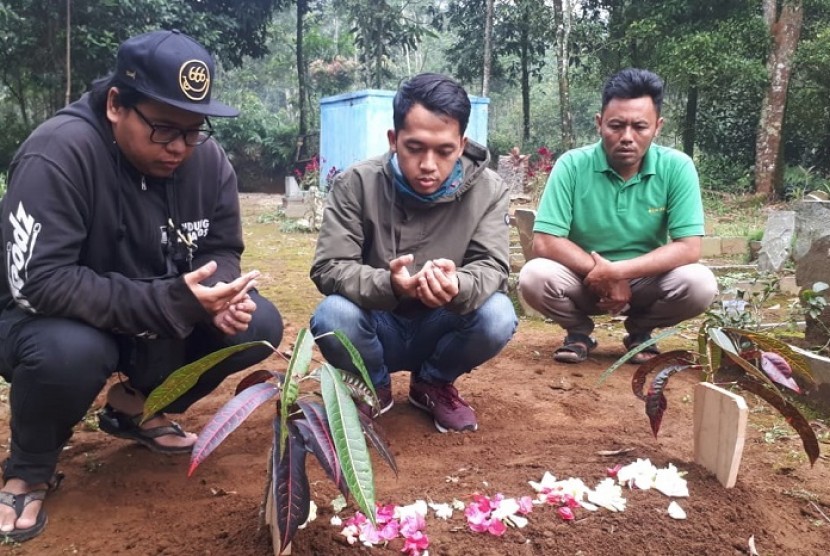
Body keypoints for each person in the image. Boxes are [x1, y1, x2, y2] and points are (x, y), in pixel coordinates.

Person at [0, 30, 283, 542]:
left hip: (150, 313)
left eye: (195, 131)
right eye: (163, 129)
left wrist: (217, 295)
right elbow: (38, 282)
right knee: (72, 349)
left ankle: (138, 408)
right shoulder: (58, 154)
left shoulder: (206, 161)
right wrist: (172, 301)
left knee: (257, 324)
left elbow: (221, 248)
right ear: (115, 104)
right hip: (42, 322)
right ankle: (29, 466)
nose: (180, 147)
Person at [309, 73, 517, 434]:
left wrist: (459, 284)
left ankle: (433, 382)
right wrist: (389, 284)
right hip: (376, 322)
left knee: (498, 314)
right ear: (394, 140)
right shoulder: (355, 184)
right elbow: (328, 267)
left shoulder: (489, 190)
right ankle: (371, 387)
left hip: (443, 322)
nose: (428, 165)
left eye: (444, 150)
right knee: (333, 315)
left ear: (462, 143)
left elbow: (494, 265)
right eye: (415, 148)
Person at [518, 68, 717, 364]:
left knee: (700, 284)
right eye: (616, 125)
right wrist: (606, 277)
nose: (627, 137)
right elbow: (545, 242)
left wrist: (620, 273)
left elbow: (689, 247)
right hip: (583, 280)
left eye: (639, 127)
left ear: (657, 127)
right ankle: (578, 331)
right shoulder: (572, 165)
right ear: (599, 124)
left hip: (645, 283)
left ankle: (640, 331)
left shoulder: (677, 167)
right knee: (534, 276)